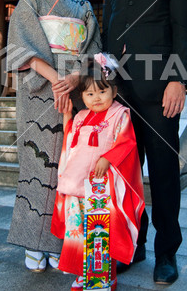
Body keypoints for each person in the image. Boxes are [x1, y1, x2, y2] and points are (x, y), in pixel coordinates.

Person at [102, 0, 187, 284]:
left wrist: (178, 80)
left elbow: (183, 30)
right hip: (121, 92)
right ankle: (133, 245)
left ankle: (166, 252)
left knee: (161, 172)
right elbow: (109, 38)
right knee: (126, 173)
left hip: (160, 91)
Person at [6, 0, 101, 272]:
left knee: (71, 168)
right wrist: (54, 77)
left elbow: (92, 53)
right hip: (37, 93)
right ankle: (34, 243)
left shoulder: (84, 8)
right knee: (36, 166)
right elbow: (20, 46)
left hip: (74, 95)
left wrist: (74, 80)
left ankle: (62, 240)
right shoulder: (30, 2)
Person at [51, 54, 145, 290]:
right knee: (77, 231)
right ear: (82, 96)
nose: (96, 98)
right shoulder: (82, 116)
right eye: (89, 94)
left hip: (101, 186)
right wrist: (67, 116)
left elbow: (127, 142)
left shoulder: (120, 114)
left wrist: (107, 158)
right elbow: (70, 139)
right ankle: (81, 273)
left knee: (99, 230)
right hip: (77, 183)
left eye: (102, 92)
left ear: (114, 91)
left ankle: (105, 276)